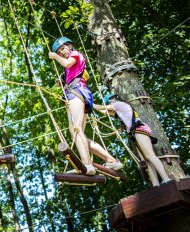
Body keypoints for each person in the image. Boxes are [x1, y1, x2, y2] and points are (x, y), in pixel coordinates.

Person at [48, 37, 123, 175]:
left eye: (63, 48)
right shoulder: (73, 65)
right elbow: (72, 70)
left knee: (75, 129)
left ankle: (87, 164)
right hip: (78, 92)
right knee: (77, 134)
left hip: (77, 92)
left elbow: (67, 63)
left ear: (70, 46)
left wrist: (54, 56)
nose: (62, 52)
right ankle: (111, 160)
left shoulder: (75, 54)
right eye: (59, 52)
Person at [94, 93, 171, 187]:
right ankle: (156, 184)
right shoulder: (121, 109)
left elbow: (101, 107)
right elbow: (105, 112)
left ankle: (166, 178)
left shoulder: (117, 104)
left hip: (139, 130)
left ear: (111, 100)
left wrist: (89, 103)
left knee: (150, 155)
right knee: (147, 159)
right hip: (137, 132)